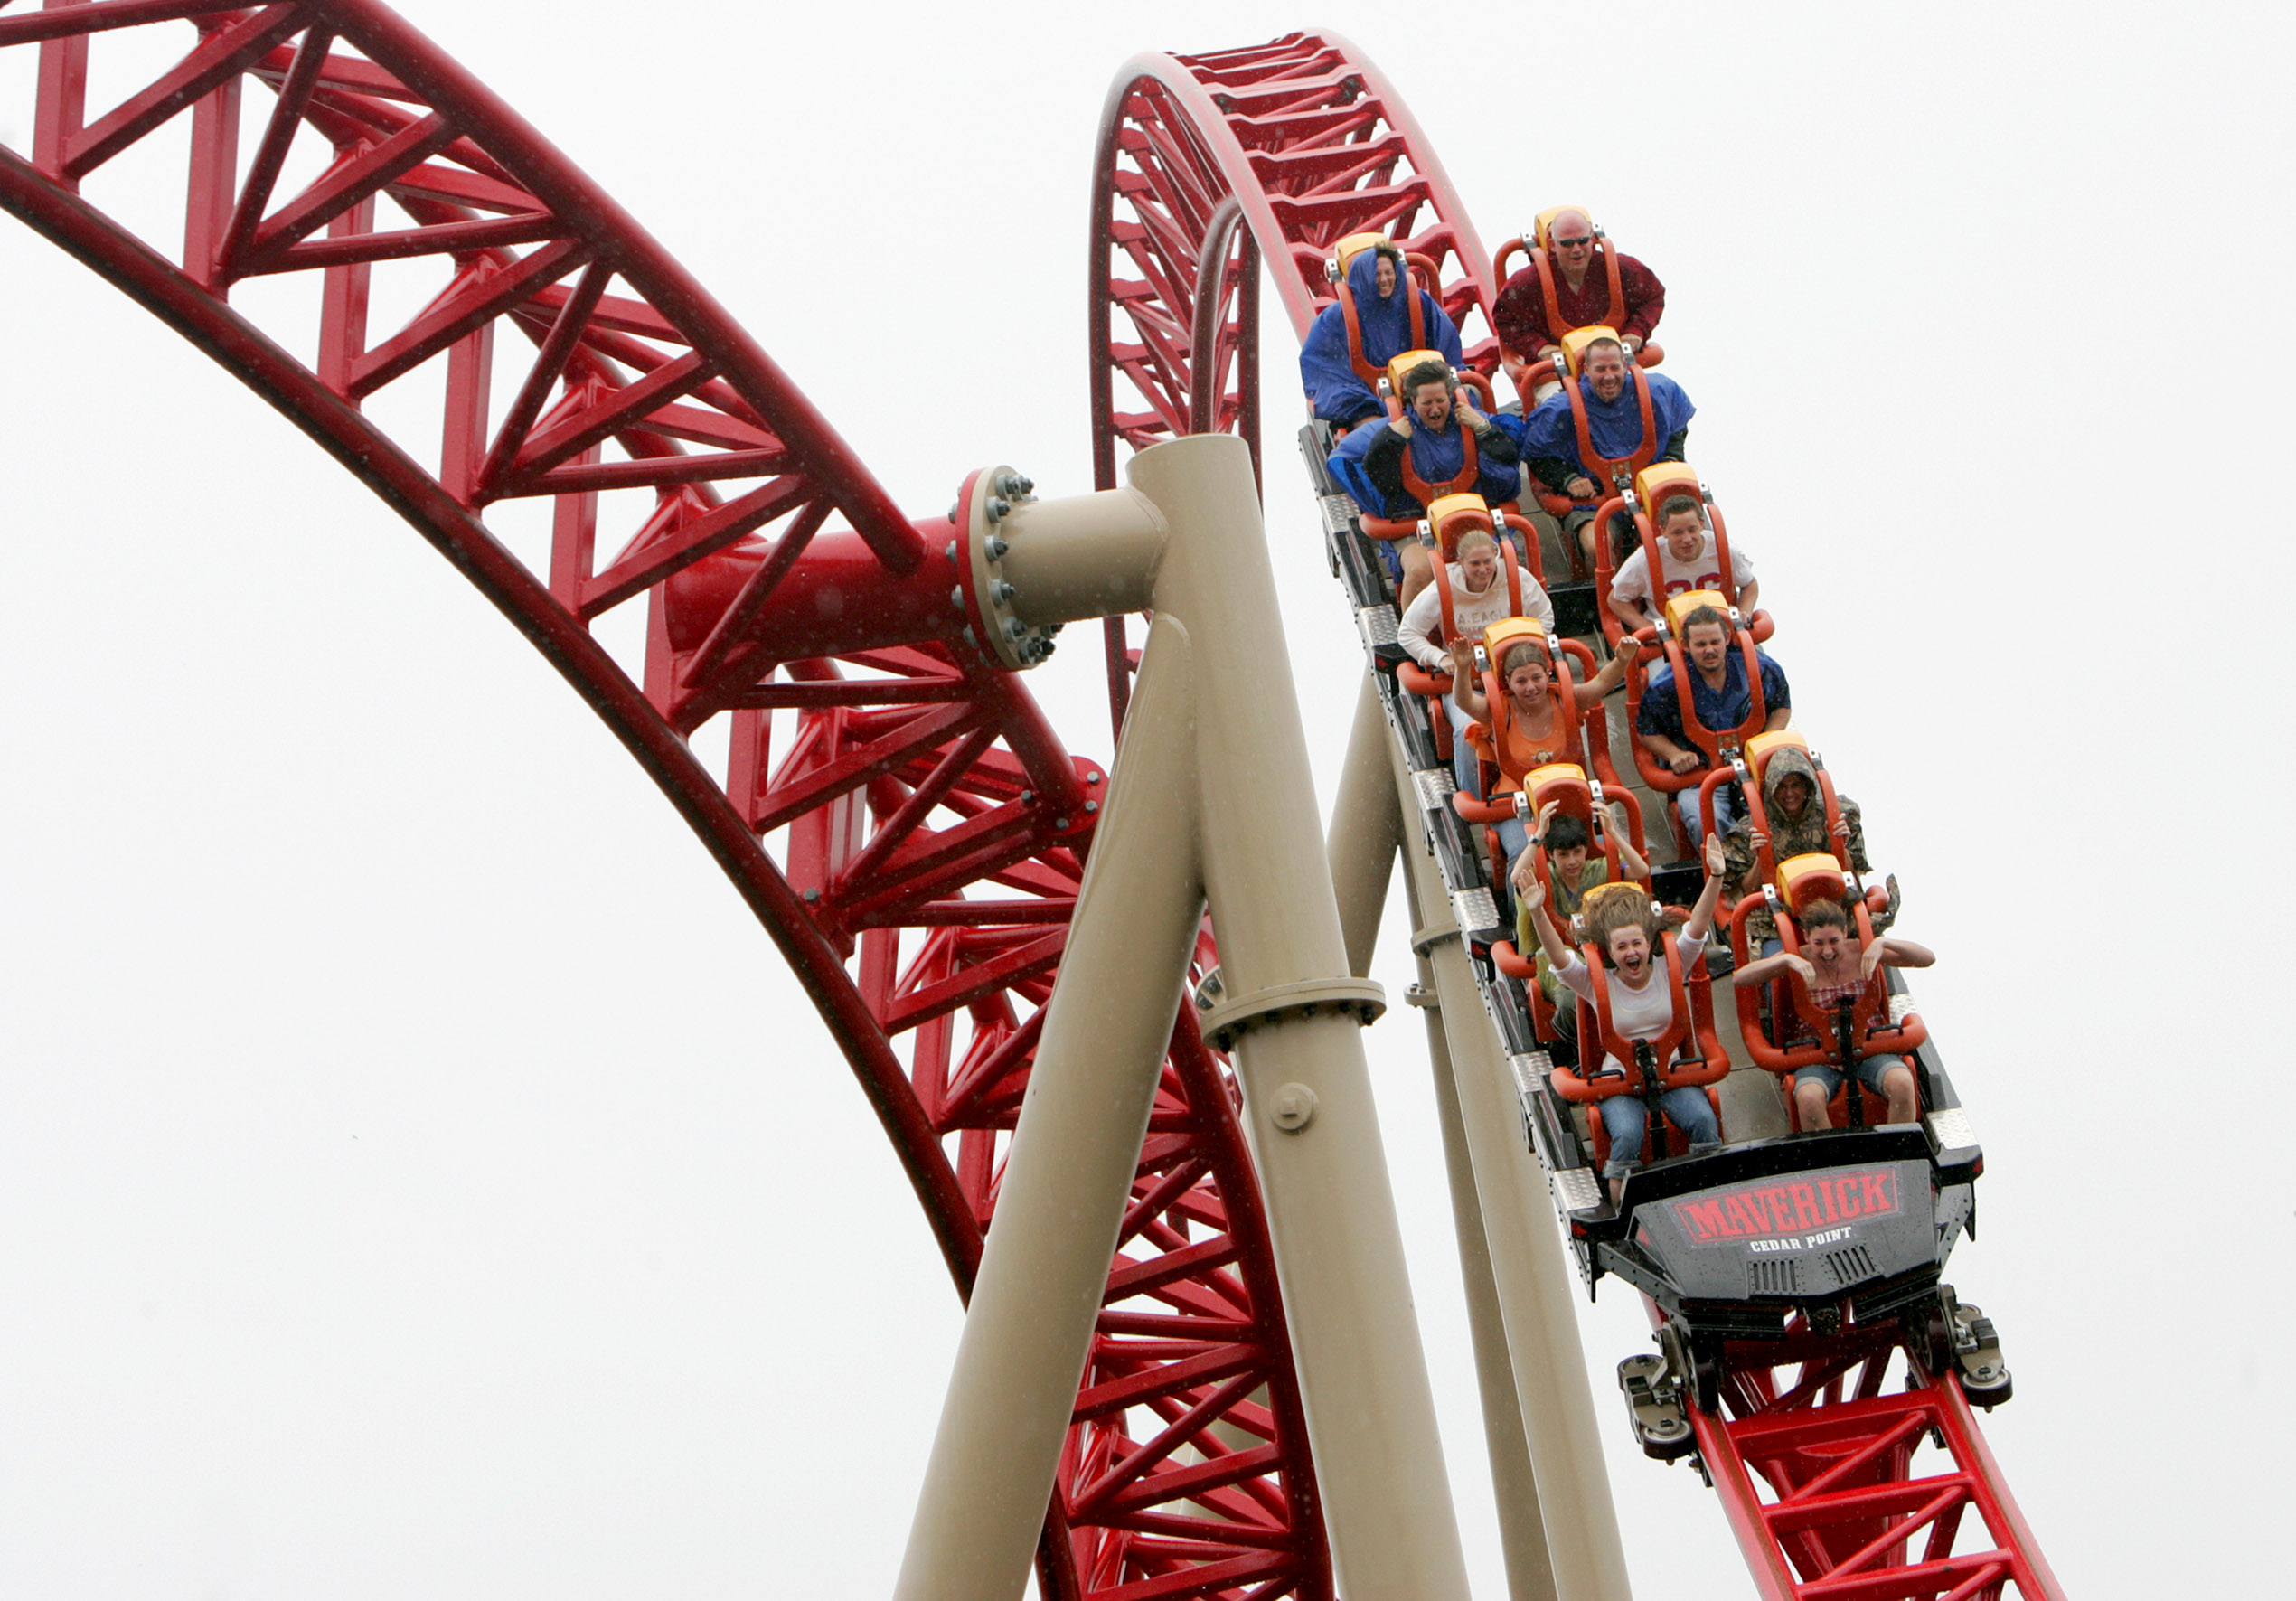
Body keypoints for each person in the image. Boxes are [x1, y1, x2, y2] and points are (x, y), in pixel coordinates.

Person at [1523, 834, 1731, 1200]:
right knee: (1628, 1134)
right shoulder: (1598, 983)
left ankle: (1710, 1195)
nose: (1631, 952)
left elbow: (1696, 928)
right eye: (1621, 947)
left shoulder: (1670, 968)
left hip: (1670, 1073)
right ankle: (1621, 1205)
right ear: (1611, 952)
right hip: (1619, 1081)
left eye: (1636, 943)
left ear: (1649, 945)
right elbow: (1559, 960)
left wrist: (1714, 878)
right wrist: (1538, 911)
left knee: (1702, 1120)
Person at [1330, 360, 1521, 607]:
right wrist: (1389, 442)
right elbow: (1345, 461)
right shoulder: (1391, 429)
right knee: (1422, 570)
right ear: (1412, 402)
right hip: (1414, 523)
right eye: (1427, 403)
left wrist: (1484, 428)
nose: (1435, 409)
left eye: (1440, 400)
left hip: (1467, 517)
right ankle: (1412, 639)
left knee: (1499, 563)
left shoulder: (1468, 420)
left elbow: (1510, 451)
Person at [1730, 898, 1934, 1128]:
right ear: (1806, 936)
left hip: (1869, 1048)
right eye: (1819, 943)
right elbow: (1740, 978)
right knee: (1808, 1098)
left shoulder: (1860, 950)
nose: (1827, 951)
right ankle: (1832, 1158)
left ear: (1845, 933)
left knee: (1902, 1083)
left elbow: (1927, 958)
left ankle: (1898, 1148)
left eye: (1834, 941)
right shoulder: (1799, 957)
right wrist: (1787, 959)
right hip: (1819, 1056)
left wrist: (1882, 944)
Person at [1505, 335, 1695, 571]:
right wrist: (1568, 479)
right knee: (1597, 547)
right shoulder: (1561, 409)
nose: (1609, 376)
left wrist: (1670, 461)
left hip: (1650, 490)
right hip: (1592, 502)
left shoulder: (1657, 391)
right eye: (1600, 369)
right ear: (1586, 370)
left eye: (1615, 367)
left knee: (1683, 537)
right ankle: (1610, 601)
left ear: (1625, 365)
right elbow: (1535, 454)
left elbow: (1677, 426)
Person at [1446, 631, 1628, 864]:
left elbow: (1601, 683)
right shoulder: (1500, 710)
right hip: (1516, 805)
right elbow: (1464, 701)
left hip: (1564, 799)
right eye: (1521, 681)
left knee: (1594, 852)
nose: (1530, 687)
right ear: (1509, 682)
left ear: (1547, 674)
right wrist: (1462, 667)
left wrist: (1621, 659)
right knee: (1523, 854)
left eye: (1536, 678)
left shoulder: (1565, 699)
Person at [1398, 529, 1555, 794]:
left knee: (1551, 719)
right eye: (1474, 564)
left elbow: (1545, 618)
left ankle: (1549, 783)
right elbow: (1407, 633)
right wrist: (1441, 658)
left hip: (1514, 679)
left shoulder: (1517, 578)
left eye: (1487, 562)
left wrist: (1525, 652)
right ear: (1461, 563)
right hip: (1467, 682)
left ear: (1496, 557)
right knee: (1467, 730)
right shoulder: (1445, 588)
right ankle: (1475, 797)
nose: (1483, 569)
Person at [1635, 604, 1791, 845]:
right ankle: (1729, 872)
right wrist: (1674, 754)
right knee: (1703, 820)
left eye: (1715, 642)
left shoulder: (1758, 668)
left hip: (1754, 764)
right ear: (1686, 645)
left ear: (1727, 638)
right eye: (1700, 645)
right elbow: (1647, 732)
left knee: (1792, 800)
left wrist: (1766, 743)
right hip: (1700, 775)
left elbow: (1781, 706)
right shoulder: (1666, 687)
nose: (1709, 650)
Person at [1492, 209, 1665, 398]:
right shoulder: (1528, 282)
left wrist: (1636, 332)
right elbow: (1505, 318)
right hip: (1556, 377)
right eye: (1567, 244)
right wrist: (1539, 347)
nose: (1576, 249)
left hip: (1615, 370)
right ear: (1552, 245)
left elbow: (1652, 295)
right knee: (1563, 409)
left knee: (1657, 395)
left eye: (1582, 241)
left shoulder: (1619, 268)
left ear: (1592, 239)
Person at [1509, 799, 1652, 1025]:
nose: (1572, 861)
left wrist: (1612, 831)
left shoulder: (1599, 869)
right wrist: (1538, 835)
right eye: (1563, 855)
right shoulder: (1547, 877)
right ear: (1552, 855)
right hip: (1556, 955)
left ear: (1586, 850)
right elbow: (1517, 878)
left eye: (1577, 852)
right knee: (1571, 999)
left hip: (1600, 954)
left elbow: (1640, 869)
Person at [1718, 743, 1868, 957]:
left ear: (1808, 786)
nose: (1789, 793)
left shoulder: (1836, 814)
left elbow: (1852, 875)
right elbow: (1747, 892)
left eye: (1796, 784)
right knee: (1777, 966)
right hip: (1776, 919)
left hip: (1832, 915)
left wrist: (1839, 843)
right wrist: (1762, 857)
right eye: (1782, 786)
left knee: (1868, 950)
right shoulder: (1748, 830)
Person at [1299, 241, 1463, 429]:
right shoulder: (1334, 318)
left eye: (1388, 272)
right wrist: (1365, 402)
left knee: (1467, 401)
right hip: (1366, 401)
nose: (1384, 279)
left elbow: (1446, 346)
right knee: (1374, 430)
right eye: (1376, 274)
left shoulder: (1418, 302)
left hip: (1425, 392)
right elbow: (1323, 370)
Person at [1606, 494, 1759, 635]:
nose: (1687, 539)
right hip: (1670, 637)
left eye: (1692, 530)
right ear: (1663, 531)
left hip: (1718, 633)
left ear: (1701, 524)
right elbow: (1616, 599)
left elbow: (1749, 584)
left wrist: (1744, 613)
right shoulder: (1646, 558)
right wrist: (1649, 629)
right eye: (1678, 532)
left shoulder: (1723, 549)